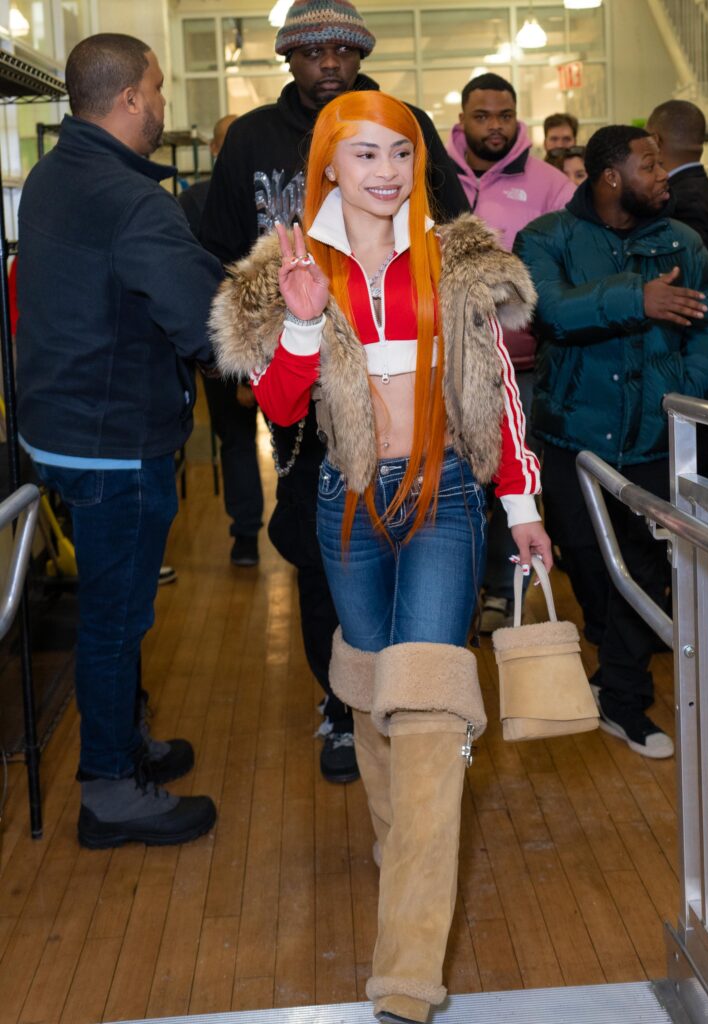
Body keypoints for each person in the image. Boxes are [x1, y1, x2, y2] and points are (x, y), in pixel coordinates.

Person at [211, 89, 549, 1024]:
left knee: (431, 707)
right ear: (328, 163)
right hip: (343, 503)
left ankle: (406, 966)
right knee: (368, 689)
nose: (386, 172)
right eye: (363, 155)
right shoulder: (282, 267)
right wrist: (305, 321)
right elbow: (277, 412)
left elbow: (496, 388)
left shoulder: (458, 252)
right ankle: (405, 849)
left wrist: (519, 501)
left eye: (398, 153)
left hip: (444, 496)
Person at [200, 0, 470, 785]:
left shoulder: (402, 120)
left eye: (342, 50)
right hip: (302, 371)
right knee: (323, 552)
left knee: (421, 570)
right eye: (312, 50)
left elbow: (445, 229)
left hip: (406, 382)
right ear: (288, 58)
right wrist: (268, 337)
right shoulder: (252, 137)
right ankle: (343, 703)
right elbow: (220, 245)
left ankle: (414, 718)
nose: (329, 62)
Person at [15, 33, 219, 848]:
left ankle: (122, 742)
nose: (163, 104)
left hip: (67, 426)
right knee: (113, 618)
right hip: (114, 438)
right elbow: (200, 317)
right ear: (132, 98)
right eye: (159, 89)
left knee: (114, 614)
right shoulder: (130, 197)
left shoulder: (57, 174)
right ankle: (108, 790)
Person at [515, 125, 708, 758]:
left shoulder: (682, 242)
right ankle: (614, 667)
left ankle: (625, 698)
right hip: (572, 441)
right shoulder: (547, 237)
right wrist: (639, 297)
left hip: (653, 442)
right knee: (586, 563)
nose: (665, 176)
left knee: (642, 570)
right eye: (650, 165)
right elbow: (549, 312)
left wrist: (677, 399)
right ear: (611, 177)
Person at [446, 71, 573, 631]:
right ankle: (458, 590)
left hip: (522, 366)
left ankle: (503, 590)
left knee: (512, 481)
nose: (494, 126)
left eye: (504, 115)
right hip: (448, 365)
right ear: (463, 120)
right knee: (458, 480)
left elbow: (568, 268)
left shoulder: (549, 185)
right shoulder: (429, 176)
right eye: (482, 116)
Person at [179, 114, 264, 568]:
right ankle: (245, 534)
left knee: (298, 439)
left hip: (284, 341)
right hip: (222, 346)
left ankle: (299, 533)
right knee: (235, 440)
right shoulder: (191, 203)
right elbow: (191, 280)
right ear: (214, 151)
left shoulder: (275, 192)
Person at [647, 99, 708, 485]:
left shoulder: (680, 199)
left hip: (703, 358)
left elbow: (687, 285)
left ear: (655, 139)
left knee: (701, 481)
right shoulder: (697, 188)